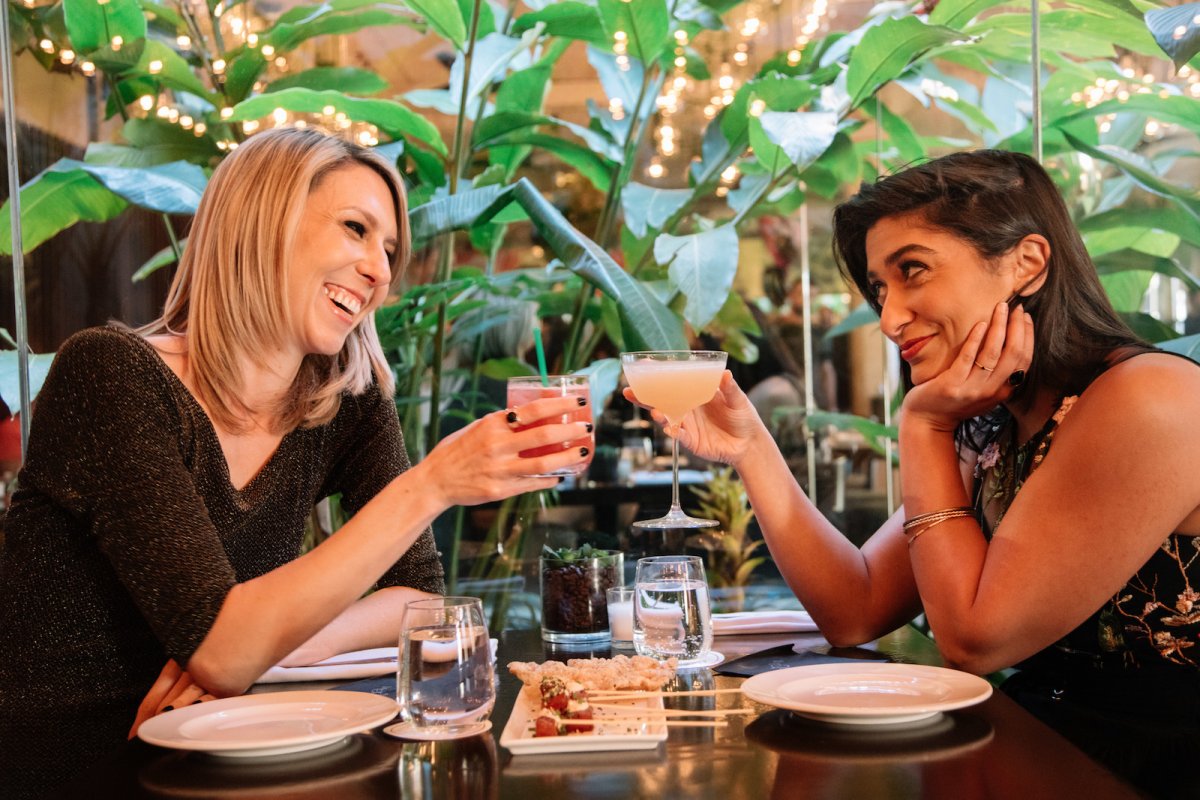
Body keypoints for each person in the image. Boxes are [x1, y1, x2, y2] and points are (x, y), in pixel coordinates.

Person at [0, 127, 589, 797]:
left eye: (389, 248)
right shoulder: (112, 376)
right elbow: (223, 652)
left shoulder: (346, 401)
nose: (380, 270)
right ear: (264, 224)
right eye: (355, 230)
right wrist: (431, 485)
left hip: (238, 749)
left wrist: (283, 641)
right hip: (84, 765)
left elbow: (417, 596)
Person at [628, 150, 1200, 797]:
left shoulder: (1149, 400)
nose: (889, 317)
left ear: (1027, 263)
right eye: (880, 289)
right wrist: (752, 448)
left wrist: (923, 427)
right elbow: (857, 605)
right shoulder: (995, 425)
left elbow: (976, 639)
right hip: (1040, 749)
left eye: (913, 272)